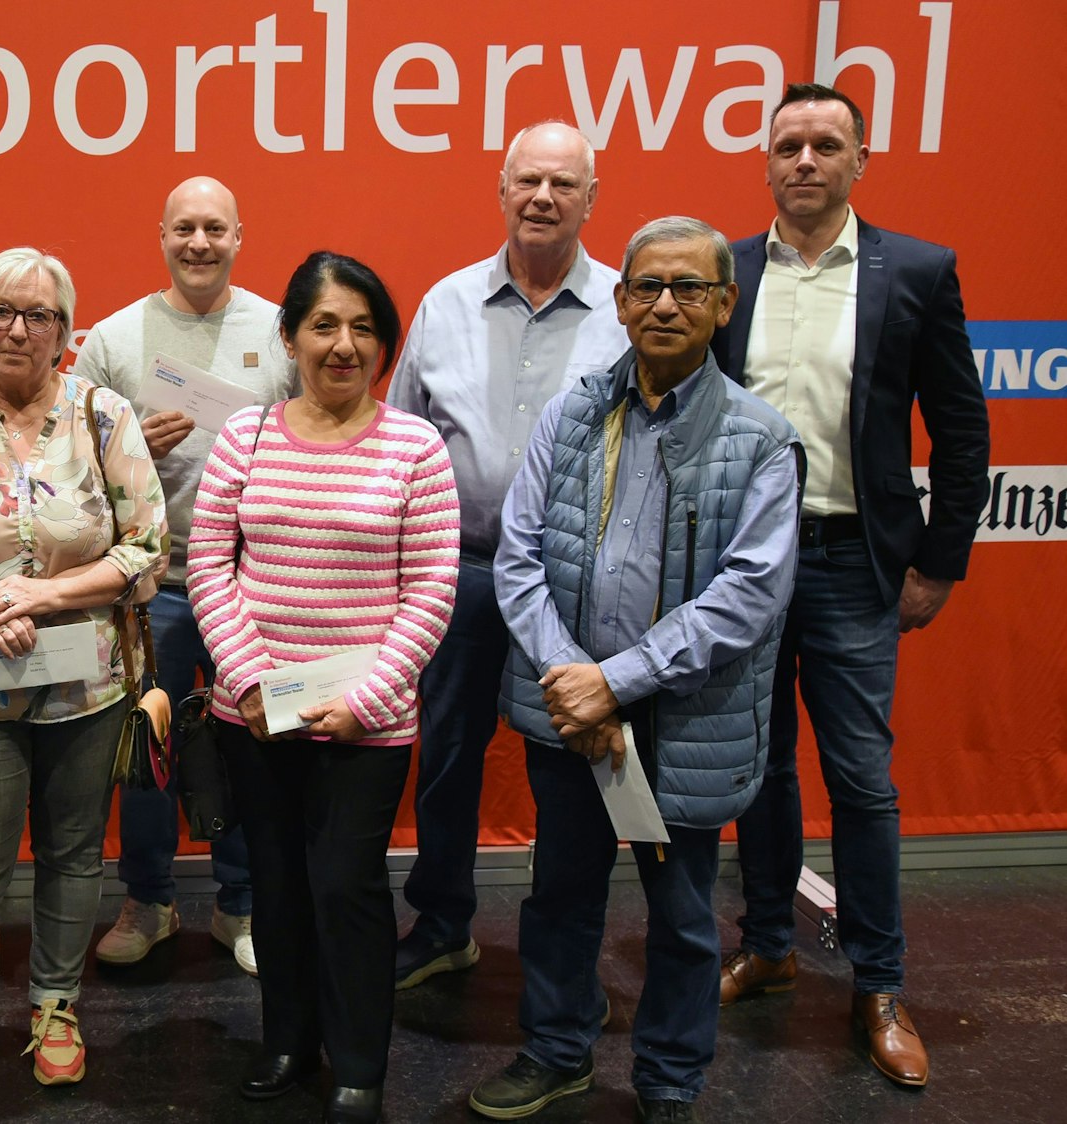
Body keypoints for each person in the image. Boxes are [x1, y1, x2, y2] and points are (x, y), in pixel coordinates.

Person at [470, 217, 800, 1124]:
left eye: (688, 288)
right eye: (647, 286)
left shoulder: (760, 438)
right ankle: (556, 1049)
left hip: (680, 722)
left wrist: (619, 682)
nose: (664, 304)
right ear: (618, 301)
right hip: (572, 714)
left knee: (685, 922)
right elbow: (519, 558)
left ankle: (668, 1081)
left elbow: (750, 593)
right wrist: (573, 676)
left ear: (724, 304)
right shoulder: (575, 412)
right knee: (560, 897)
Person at [712, 83, 991, 1089]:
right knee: (762, 768)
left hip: (852, 561)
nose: (806, 161)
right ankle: (773, 939)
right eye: (789, 144)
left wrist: (941, 562)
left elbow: (962, 430)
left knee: (863, 780)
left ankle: (879, 981)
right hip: (743, 562)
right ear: (767, 158)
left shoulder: (916, 271)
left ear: (860, 160)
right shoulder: (724, 272)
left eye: (827, 144)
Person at [0, 247, 166, 1112]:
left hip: (88, 686)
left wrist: (40, 592)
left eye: (37, 316)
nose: (17, 328)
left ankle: (56, 1007)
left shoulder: (106, 417)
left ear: (65, 333)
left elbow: (147, 548)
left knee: (73, 853)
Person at [188, 251, 460, 1124]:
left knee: (345, 883)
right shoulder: (248, 436)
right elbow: (208, 567)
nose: (344, 346)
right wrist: (250, 681)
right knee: (275, 882)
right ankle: (285, 1039)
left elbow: (430, 589)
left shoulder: (414, 446)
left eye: (364, 328)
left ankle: (356, 1060)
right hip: (255, 714)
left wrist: (368, 699)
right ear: (291, 337)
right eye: (324, 326)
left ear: (384, 343)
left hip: (364, 723)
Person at [383, 122, 628, 990]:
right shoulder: (446, 304)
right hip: (457, 573)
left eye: (563, 184)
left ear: (591, 200)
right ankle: (444, 920)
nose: (543, 198)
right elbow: (403, 437)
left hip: (573, 584)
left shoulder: (626, 310)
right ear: (501, 188)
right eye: (528, 180)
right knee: (445, 755)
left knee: (565, 771)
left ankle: (560, 962)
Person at [78, 175, 293, 975]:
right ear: (160, 236)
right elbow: (73, 471)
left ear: (240, 236)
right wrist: (135, 452)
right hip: (151, 587)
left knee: (254, 746)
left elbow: (317, 442)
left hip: (256, 585)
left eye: (214, 229)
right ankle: (150, 900)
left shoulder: (280, 330)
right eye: (183, 230)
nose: (198, 243)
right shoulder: (112, 338)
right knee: (147, 748)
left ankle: (241, 905)